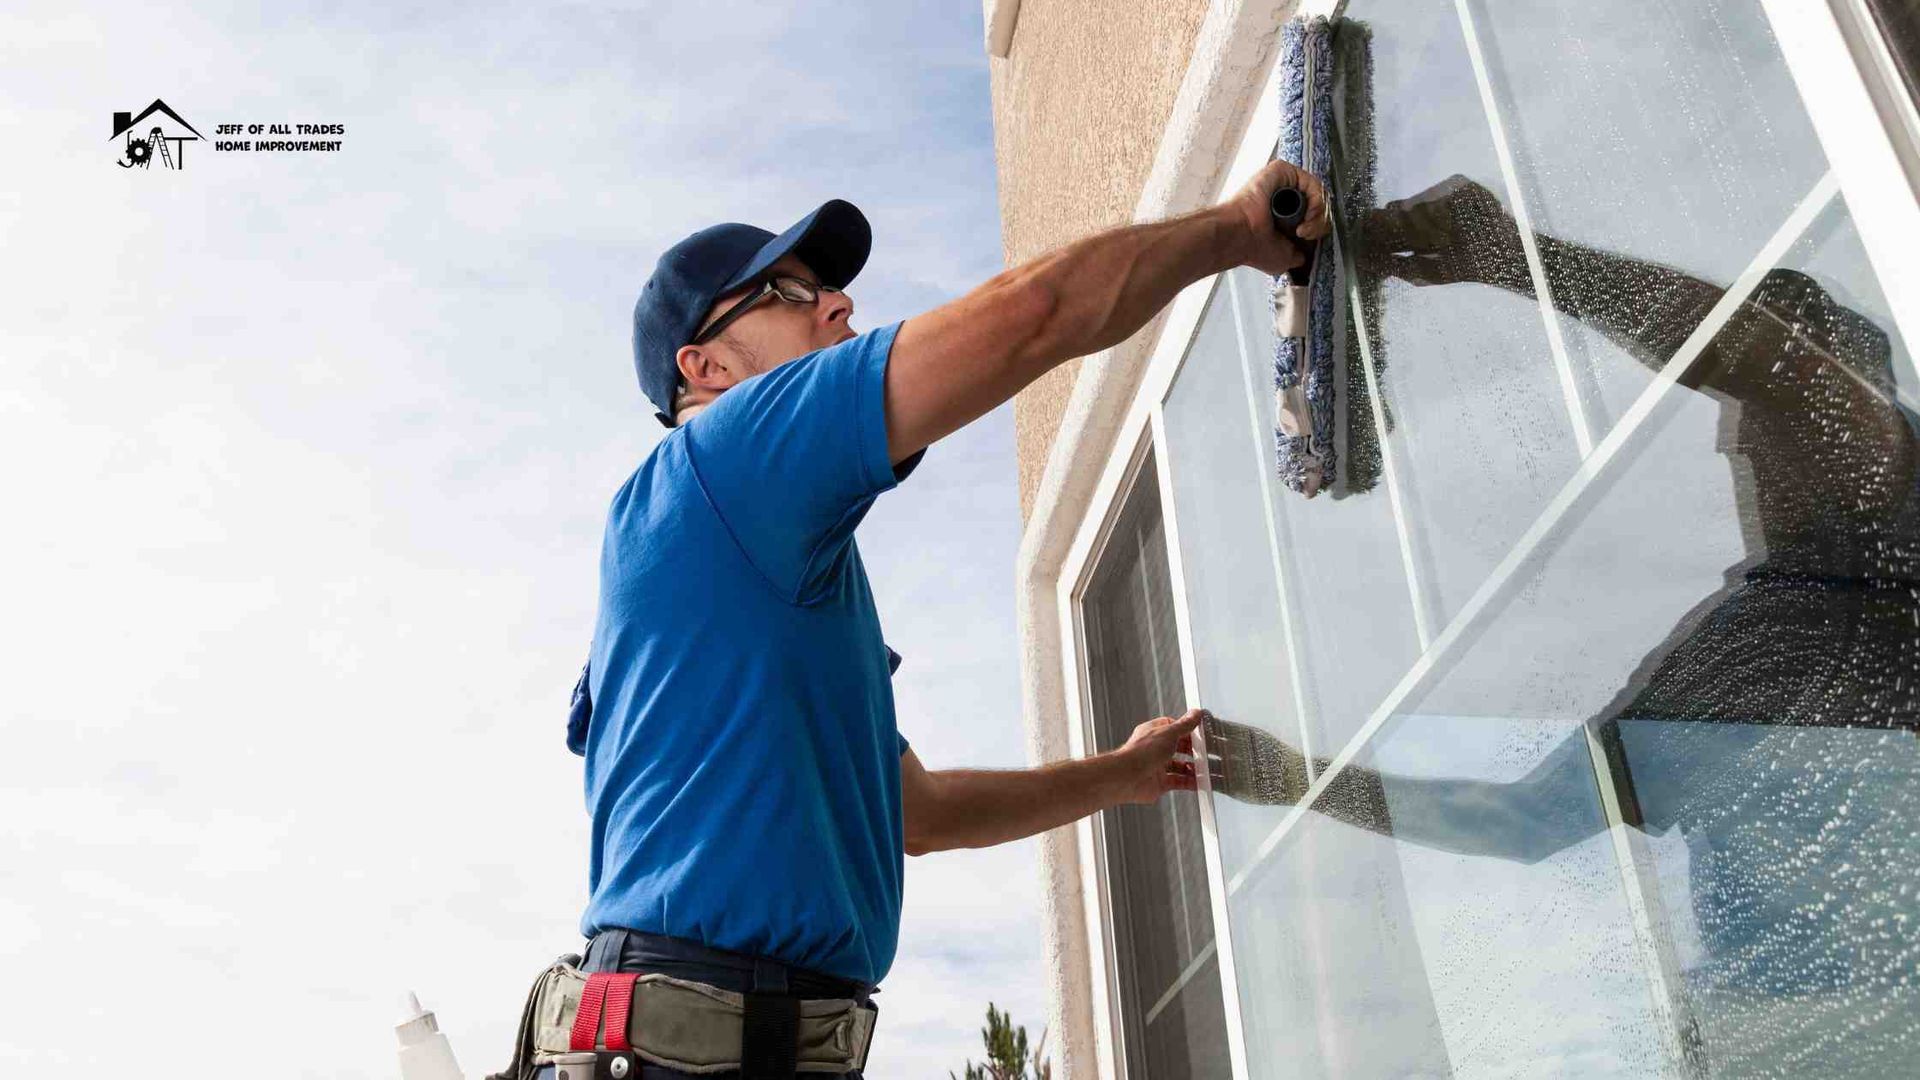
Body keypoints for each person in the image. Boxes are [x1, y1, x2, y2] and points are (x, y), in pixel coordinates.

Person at [551, 161, 1329, 1079]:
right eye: (790, 292)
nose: (837, 305)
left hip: (727, 1041)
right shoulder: (722, 463)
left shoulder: (768, 575)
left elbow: (919, 813)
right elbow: (1031, 315)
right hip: (695, 1046)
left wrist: (1119, 776)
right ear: (706, 366)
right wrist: (1237, 231)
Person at [1214, 174, 1920, 1076]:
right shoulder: (1758, 644)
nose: (1733, 450)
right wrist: (1294, 783)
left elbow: (1775, 370)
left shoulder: (1829, 595)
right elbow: (1521, 821)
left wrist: (1515, 256)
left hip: (1820, 1031)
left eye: (1753, 424)